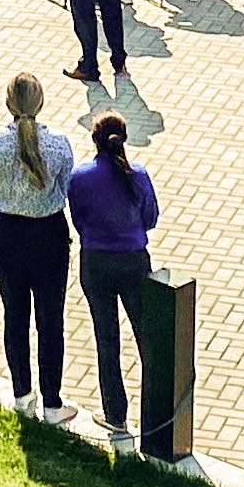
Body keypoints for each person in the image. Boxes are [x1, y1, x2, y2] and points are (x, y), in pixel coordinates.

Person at [0, 73, 78, 419]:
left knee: (15, 316)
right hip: (49, 236)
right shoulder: (60, 145)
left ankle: (23, 396)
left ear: (9, 104)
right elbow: (66, 189)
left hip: (7, 235)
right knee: (51, 320)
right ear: (41, 102)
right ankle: (53, 402)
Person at [67, 111, 158, 435]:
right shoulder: (139, 175)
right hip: (134, 261)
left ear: (94, 140)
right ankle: (155, 420)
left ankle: (115, 416)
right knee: (147, 340)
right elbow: (150, 218)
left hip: (96, 262)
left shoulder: (79, 177)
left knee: (107, 341)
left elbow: (78, 221)